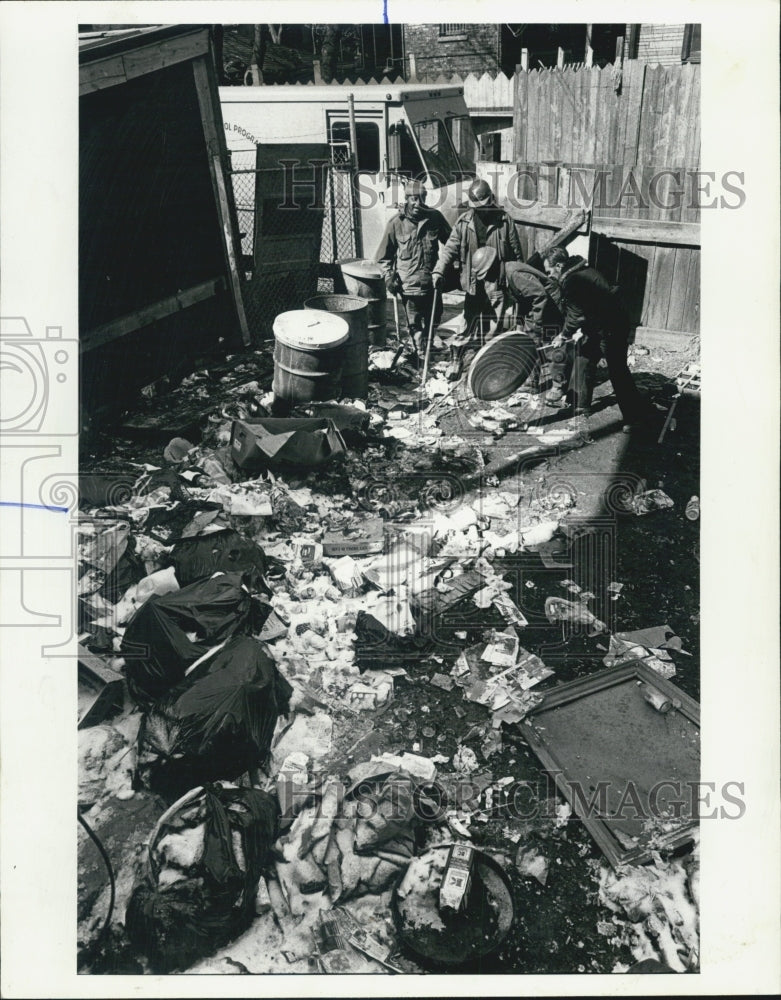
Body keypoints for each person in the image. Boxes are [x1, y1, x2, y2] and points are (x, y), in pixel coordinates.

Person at [540, 246, 657, 431]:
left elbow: (576, 314)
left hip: (612, 327)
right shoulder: (579, 272)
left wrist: (564, 335)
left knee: (617, 371)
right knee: (584, 356)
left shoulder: (574, 280)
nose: (550, 276)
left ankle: (635, 418)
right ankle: (580, 406)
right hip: (599, 325)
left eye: (549, 271)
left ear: (559, 265)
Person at [432, 178, 523, 379]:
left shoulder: (504, 221)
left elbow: (516, 254)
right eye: (477, 206)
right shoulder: (464, 222)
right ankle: (457, 362)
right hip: (472, 282)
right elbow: (449, 249)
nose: (481, 210)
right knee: (467, 325)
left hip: (496, 282)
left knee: (493, 328)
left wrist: (516, 282)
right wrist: (439, 271)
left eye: (484, 205)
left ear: (491, 200)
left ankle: (487, 368)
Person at [375, 179, 451, 356]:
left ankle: (428, 344)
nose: (418, 203)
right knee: (414, 323)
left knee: (434, 317)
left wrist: (446, 267)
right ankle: (420, 355)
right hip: (409, 285)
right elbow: (383, 258)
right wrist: (388, 278)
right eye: (413, 199)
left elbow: (452, 243)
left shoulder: (435, 218)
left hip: (432, 282)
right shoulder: (396, 224)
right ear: (406, 199)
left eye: (421, 198)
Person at [504, 259, 566, 394]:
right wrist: (520, 322)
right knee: (530, 342)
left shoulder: (514, 274)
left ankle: (559, 385)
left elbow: (540, 295)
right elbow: (522, 299)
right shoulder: (506, 274)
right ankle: (531, 382)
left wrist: (536, 324)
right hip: (537, 305)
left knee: (551, 346)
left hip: (550, 304)